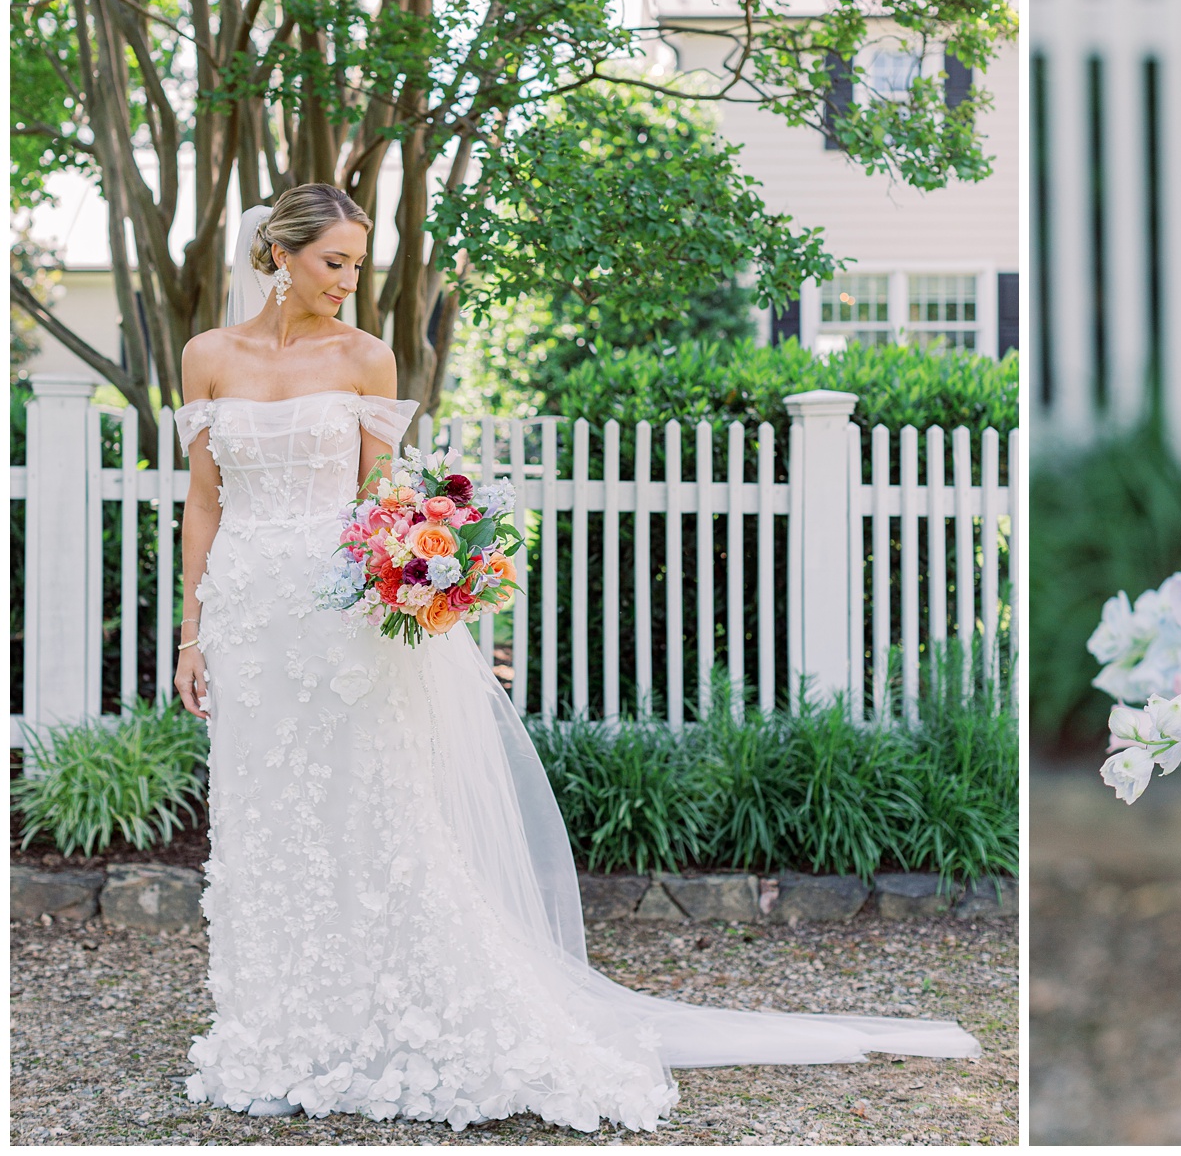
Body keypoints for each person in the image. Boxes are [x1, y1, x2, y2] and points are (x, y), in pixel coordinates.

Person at [172, 183, 978, 1133]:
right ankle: (277, 1029)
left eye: (358, 261)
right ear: (281, 253)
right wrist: (192, 632)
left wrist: (414, 563)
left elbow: (379, 501)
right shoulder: (206, 356)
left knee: (367, 814)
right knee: (270, 822)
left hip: (342, 617)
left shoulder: (366, 355)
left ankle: (385, 1016)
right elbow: (205, 502)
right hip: (250, 622)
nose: (351, 280)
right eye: (333, 261)